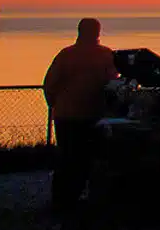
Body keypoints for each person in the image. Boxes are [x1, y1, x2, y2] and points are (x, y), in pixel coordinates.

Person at [42, 18, 118, 219]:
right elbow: (113, 83)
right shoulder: (105, 55)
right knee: (88, 159)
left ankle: (62, 202)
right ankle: (83, 201)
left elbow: (49, 84)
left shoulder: (66, 55)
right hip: (92, 115)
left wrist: (55, 104)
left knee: (66, 159)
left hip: (65, 115)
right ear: (98, 32)